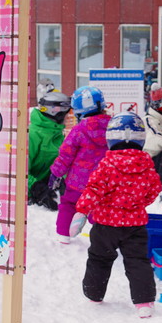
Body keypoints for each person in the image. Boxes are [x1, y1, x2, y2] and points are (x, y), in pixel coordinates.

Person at [73, 112, 162, 318]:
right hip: (135, 226)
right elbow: (154, 189)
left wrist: (82, 211)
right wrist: (139, 203)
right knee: (137, 261)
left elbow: (93, 189)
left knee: (99, 259)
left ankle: (94, 293)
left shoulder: (107, 165)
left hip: (105, 224)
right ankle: (144, 302)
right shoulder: (146, 166)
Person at [49, 86, 111, 244]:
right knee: (100, 208)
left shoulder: (79, 130)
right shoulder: (113, 127)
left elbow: (66, 154)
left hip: (77, 182)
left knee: (68, 204)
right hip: (102, 182)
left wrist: (56, 173)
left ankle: (64, 234)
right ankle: (101, 236)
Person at [27, 90, 71, 211]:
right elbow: (20, 171)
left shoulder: (56, 134)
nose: (68, 117)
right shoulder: (33, 135)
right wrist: (37, 188)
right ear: (56, 113)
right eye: (67, 113)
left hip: (49, 192)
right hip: (31, 197)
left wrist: (64, 179)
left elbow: (61, 161)